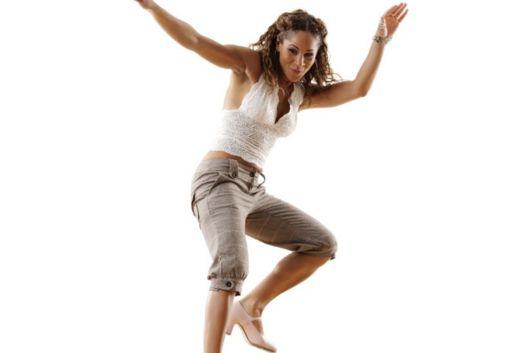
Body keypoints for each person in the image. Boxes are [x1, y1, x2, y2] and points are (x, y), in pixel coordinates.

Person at [133, 1, 408, 352]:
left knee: (321, 244)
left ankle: (251, 307)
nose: (299, 63)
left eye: (308, 56)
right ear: (278, 43)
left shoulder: (300, 95)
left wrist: (380, 40)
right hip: (218, 180)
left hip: (253, 190)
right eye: (293, 51)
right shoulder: (250, 67)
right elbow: (194, 40)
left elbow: (358, 90)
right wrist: (150, 6)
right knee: (231, 265)